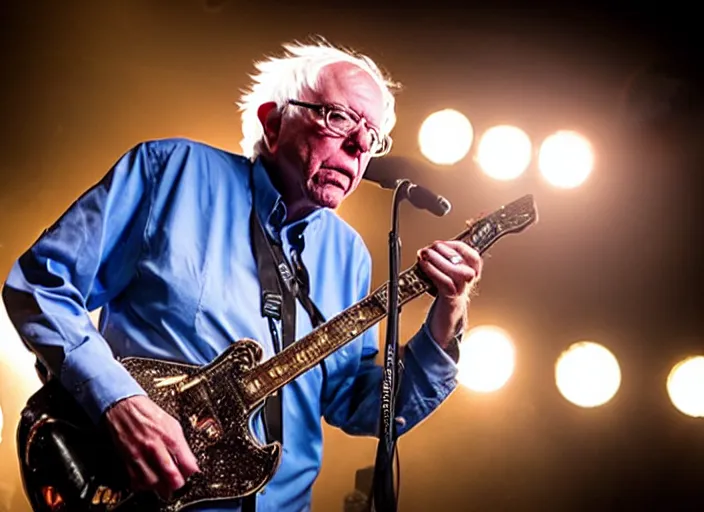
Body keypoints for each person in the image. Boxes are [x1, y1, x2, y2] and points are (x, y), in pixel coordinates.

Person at [2, 39, 482, 512]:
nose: (359, 144)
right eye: (339, 117)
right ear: (273, 123)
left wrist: (449, 312)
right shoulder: (170, 172)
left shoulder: (348, 255)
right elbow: (41, 285)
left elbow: (359, 404)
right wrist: (117, 400)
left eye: (372, 135)